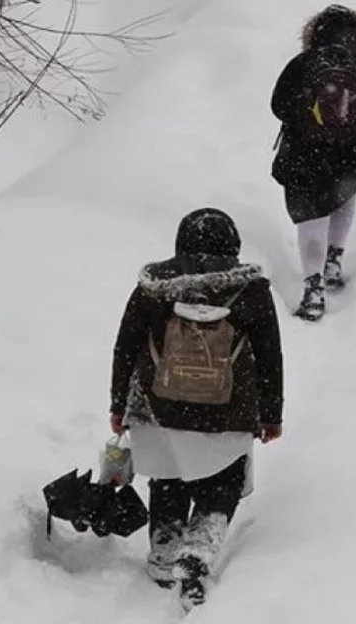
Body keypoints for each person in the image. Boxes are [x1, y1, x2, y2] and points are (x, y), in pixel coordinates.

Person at [109, 207, 284, 611]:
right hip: (228, 411)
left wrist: (119, 404)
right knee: (222, 480)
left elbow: (126, 347)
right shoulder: (252, 290)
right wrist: (271, 413)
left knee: (168, 478)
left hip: (159, 407)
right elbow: (269, 355)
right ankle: (198, 551)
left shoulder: (154, 287)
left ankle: (164, 552)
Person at [270, 4, 356, 321]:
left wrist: (308, 123)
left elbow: (278, 105)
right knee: (343, 198)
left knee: (310, 218)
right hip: (352, 157)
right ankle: (334, 261)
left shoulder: (302, 65)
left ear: (313, 35)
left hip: (304, 157)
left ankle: (313, 288)